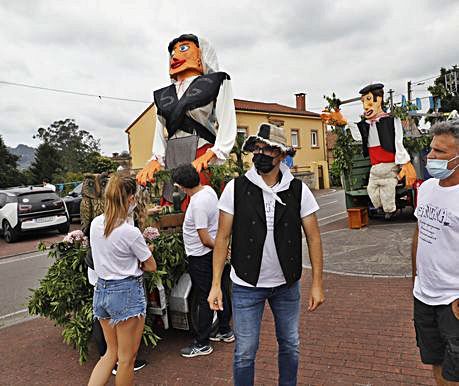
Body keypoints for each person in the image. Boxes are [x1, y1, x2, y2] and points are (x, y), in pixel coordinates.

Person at [208, 123, 325, 386]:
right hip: (246, 285)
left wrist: (317, 283)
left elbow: (314, 237)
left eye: (268, 149)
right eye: (257, 147)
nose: (260, 153)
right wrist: (216, 284)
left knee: (290, 345)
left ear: (282, 155)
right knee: (245, 352)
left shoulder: (298, 190)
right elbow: (223, 237)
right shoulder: (235, 188)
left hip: (286, 285)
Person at [136, 33, 237, 209]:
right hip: (172, 156)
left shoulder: (217, 81)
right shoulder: (162, 95)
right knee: (172, 204)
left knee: (202, 207)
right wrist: (156, 159)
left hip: (201, 152)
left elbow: (227, 123)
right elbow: (160, 131)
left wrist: (213, 153)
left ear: (201, 55)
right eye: (172, 52)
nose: (174, 56)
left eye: (183, 48)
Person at [87, 174, 157, 386]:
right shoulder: (130, 232)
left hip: (102, 291)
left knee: (110, 353)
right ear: (130, 199)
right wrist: (145, 252)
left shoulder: (96, 223)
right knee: (127, 359)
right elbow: (151, 266)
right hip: (126, 293)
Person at [411, 120, 459, 385]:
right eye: (431, 149)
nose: (430, 156)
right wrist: (416, 278)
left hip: (453, 300)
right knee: (437, 364)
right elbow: (420, 233)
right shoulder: (427, 188)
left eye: (440, 152)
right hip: (424, 296)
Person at [172, 164, 234, 358]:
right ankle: (225, 330)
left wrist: (222, 249)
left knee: (205, 297)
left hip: (202, 256)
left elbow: (205, 239)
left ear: (182, 186)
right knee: (221, 290)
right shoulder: (208, 191)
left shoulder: (197, 204)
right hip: (214, 253)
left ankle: (202, 342)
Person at [356, 83, 417, 219]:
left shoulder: (391, 120)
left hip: (389, 166)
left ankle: (390, 209)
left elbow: (398, 140)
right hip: (375, 168)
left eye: (369, 100)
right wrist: (342, 121)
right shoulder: (365, 125)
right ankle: (378, 207)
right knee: (371, 189)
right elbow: (356, 133)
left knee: (388, 189)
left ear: (379, 100)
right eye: (363, 101)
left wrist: (404, 162)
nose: (365, 106)